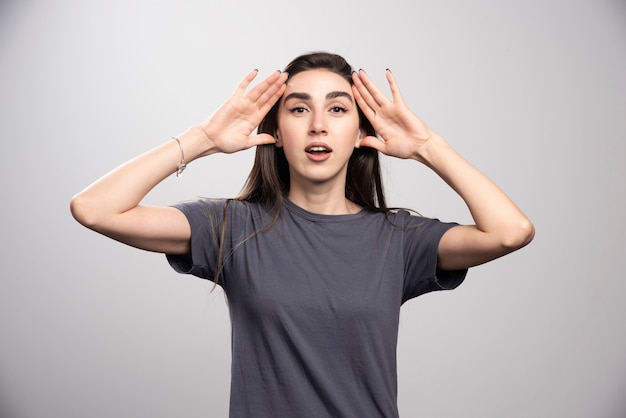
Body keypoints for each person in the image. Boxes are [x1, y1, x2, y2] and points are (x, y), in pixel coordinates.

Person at [70, 52, 534, 417]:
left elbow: (511, 232)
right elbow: (93, 208)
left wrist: (429, 147)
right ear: (275, 131)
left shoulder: (400, 239)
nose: (318, 124)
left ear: (360, 133)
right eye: (298, 109)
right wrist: (204, 139)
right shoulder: (231, 227)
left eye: (337, 108)